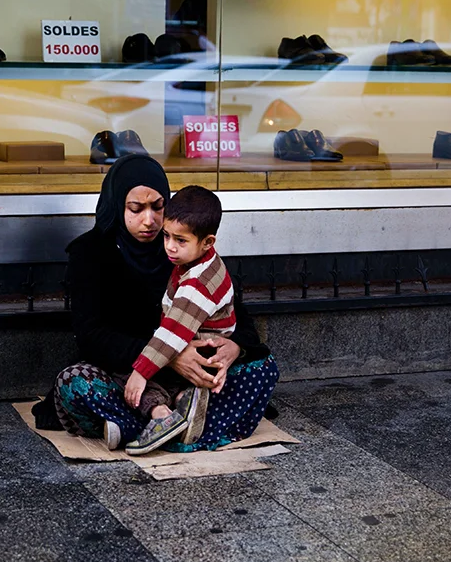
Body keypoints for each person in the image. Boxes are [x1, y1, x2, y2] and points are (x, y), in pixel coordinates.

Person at [32, 154, 279, 453]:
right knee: (73, 383)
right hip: (127, 374)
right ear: (117, 205)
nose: (149, 220)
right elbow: (91, 337)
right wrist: (169, 356)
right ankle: (180, 426)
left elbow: (238, 318)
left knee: (263, 367)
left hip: (191, 382)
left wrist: (234, 348)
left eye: (158, 207)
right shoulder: (91, 253)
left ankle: (144, 429)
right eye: (135, 209)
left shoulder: (183, 247)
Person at [120, 184, 235, 456]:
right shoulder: (199, 262)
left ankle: (163, 416)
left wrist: (140, 372)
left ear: (207, 242)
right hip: (198, 350)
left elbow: (172, 333)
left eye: (180, 241)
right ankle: (185, 403)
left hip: (199, 354)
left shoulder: (197, 283)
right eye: (167, 236)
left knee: (126, 376)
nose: (170, 247)